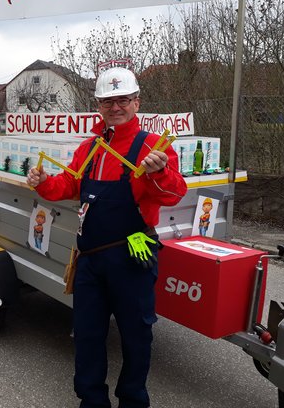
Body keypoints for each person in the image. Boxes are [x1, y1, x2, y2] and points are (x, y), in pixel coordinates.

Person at [26, 66, 187, 408]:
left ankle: (132, 399)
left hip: (131, 257)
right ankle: (91, 399)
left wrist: (161, 172)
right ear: (98, 104)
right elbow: (70, 187)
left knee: (136, 336)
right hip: (89, 261)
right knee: (87, 335)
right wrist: (42, 182)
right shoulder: (90, 148)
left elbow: (174, 194)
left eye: (123, 100)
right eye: (108, 101)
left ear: (136, 102)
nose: (116, 107)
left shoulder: (154, 147)